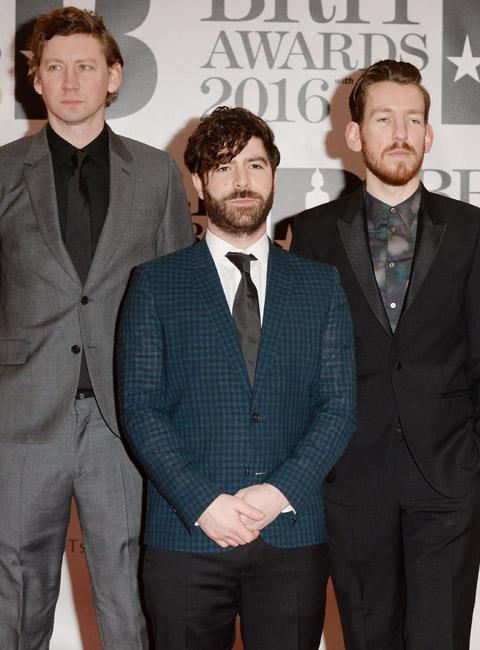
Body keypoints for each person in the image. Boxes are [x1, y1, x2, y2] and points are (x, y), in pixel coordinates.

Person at [116, 106, 356, 650]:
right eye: (224, 167)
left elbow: (339, 407)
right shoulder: (155, 284)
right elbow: (140, 410)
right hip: (185, 536)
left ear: (274, 175)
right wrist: (203, 502)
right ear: (199, 182)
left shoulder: (320, 286)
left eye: (254, 165)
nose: (242, 181)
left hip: (291, 534)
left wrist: (279, 494)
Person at [291, 59, 480, 650]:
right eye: (384, 119)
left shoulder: (470, 227)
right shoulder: (311, 233)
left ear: (429, 134)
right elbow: (302, 362)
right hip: (350, 475)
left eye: (413, 120)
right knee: (368, 639)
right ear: (354, 133)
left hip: (450, 472)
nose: (400, 133)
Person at [0, 7, 194, 649]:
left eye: (85, 66)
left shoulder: (157, 174)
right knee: (14, 596)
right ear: (35, 79)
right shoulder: (2, 171)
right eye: (54, 67)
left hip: (125, 419)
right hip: (20, 420)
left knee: (129, 599)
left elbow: (178, 305)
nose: (69, 81)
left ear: (113, 77)